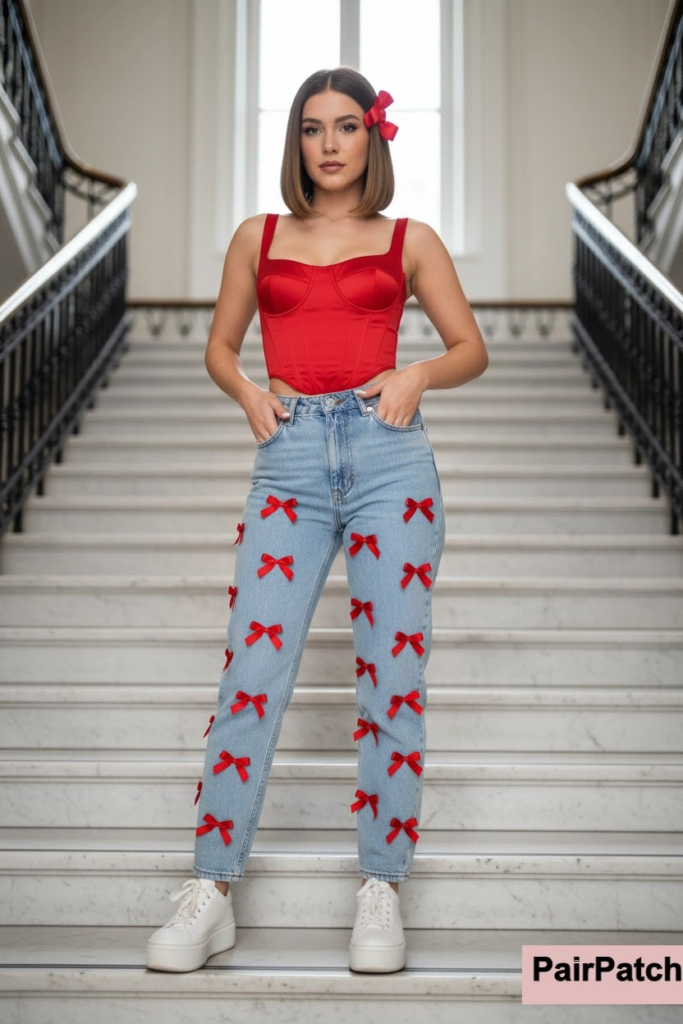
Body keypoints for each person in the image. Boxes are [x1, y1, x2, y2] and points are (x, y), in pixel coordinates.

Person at [146, 66, 488, 976]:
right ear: (295, 141)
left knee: (390, 680)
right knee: (251, 672)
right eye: (311, 127)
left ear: (371, 138)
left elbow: (471, 347)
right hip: (290, 459)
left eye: (346, 126)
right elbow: (220, 345)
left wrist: (415, 374)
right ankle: (212, 889)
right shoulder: (255, 238)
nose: (329, 143)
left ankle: (381, 885)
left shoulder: (410, 240)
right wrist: (247, 393)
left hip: (389, 459)